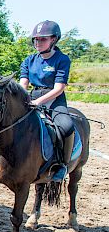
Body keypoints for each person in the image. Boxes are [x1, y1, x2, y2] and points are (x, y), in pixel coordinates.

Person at [20, 20, 74, 182]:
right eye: (36, 39)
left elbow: (58, 88)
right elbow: (23, 84)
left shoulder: (62, 59)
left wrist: (39, 102)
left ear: (53, 40)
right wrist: (24, 99)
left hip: (54, 101)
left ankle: (62, 165)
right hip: (32, 97)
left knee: (66, 127)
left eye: (43, 39)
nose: (38, 42)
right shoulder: (29, 60)